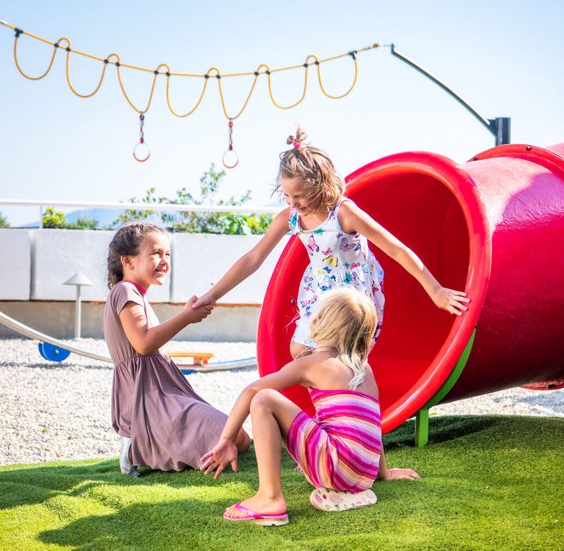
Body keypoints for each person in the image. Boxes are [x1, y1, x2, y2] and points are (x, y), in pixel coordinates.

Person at [193, 126, 469, 358]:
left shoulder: (344, 213)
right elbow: (252, 259)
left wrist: (436, 291)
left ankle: (350, 408)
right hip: (319, 292)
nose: (293, 203)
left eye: (299, 196)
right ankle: (331, 410)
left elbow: (395, 249)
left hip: (352, 295)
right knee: (299, 350)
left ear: (321, 185)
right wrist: (212, 295)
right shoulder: (289, 218)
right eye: (287, 196)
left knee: (331, 355)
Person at [200, 287, 420, 526]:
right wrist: (384, 474)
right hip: (363, 476)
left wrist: (227, 440)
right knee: (324, 419)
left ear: (318, 321)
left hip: (336, 469)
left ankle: (269, 498)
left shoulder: (312, 364)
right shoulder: (365, 369)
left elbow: (252, 390)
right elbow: (370, 426)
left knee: (264, 399)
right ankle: (345, 489)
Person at [104, 222, 250, 476]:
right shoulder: (125, 291)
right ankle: (136, 446)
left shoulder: (134, 294)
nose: (164, 261)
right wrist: (186, 317)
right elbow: (144, 343)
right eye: (155, 253)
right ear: (127, 261)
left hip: (161, 391)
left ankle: (150, 444)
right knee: (234, 436)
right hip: (150, 398)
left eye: (167, 255)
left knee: (241, 439)